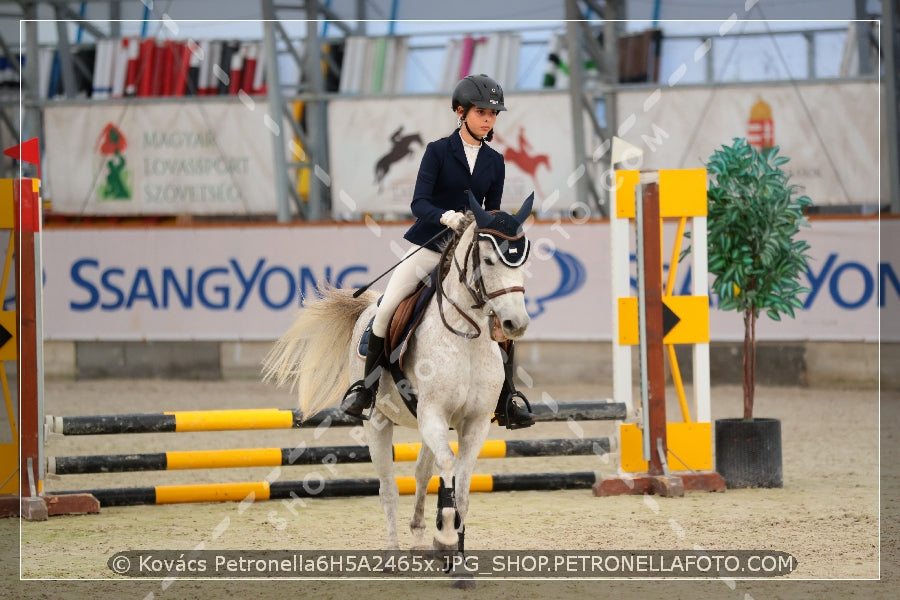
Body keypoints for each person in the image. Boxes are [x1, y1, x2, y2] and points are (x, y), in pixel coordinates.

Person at [340, 73, 535, 430]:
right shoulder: (437, 151)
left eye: (494, 113)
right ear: (461, 112)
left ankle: (507, 397)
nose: (489, 119)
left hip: (471, 256)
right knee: (385, 309)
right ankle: (365, 390)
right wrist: (446, 217)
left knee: (502, 317)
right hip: (430, 245)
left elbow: (489, 213)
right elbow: (419, 203)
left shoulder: (496, 162)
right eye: (482, 112)